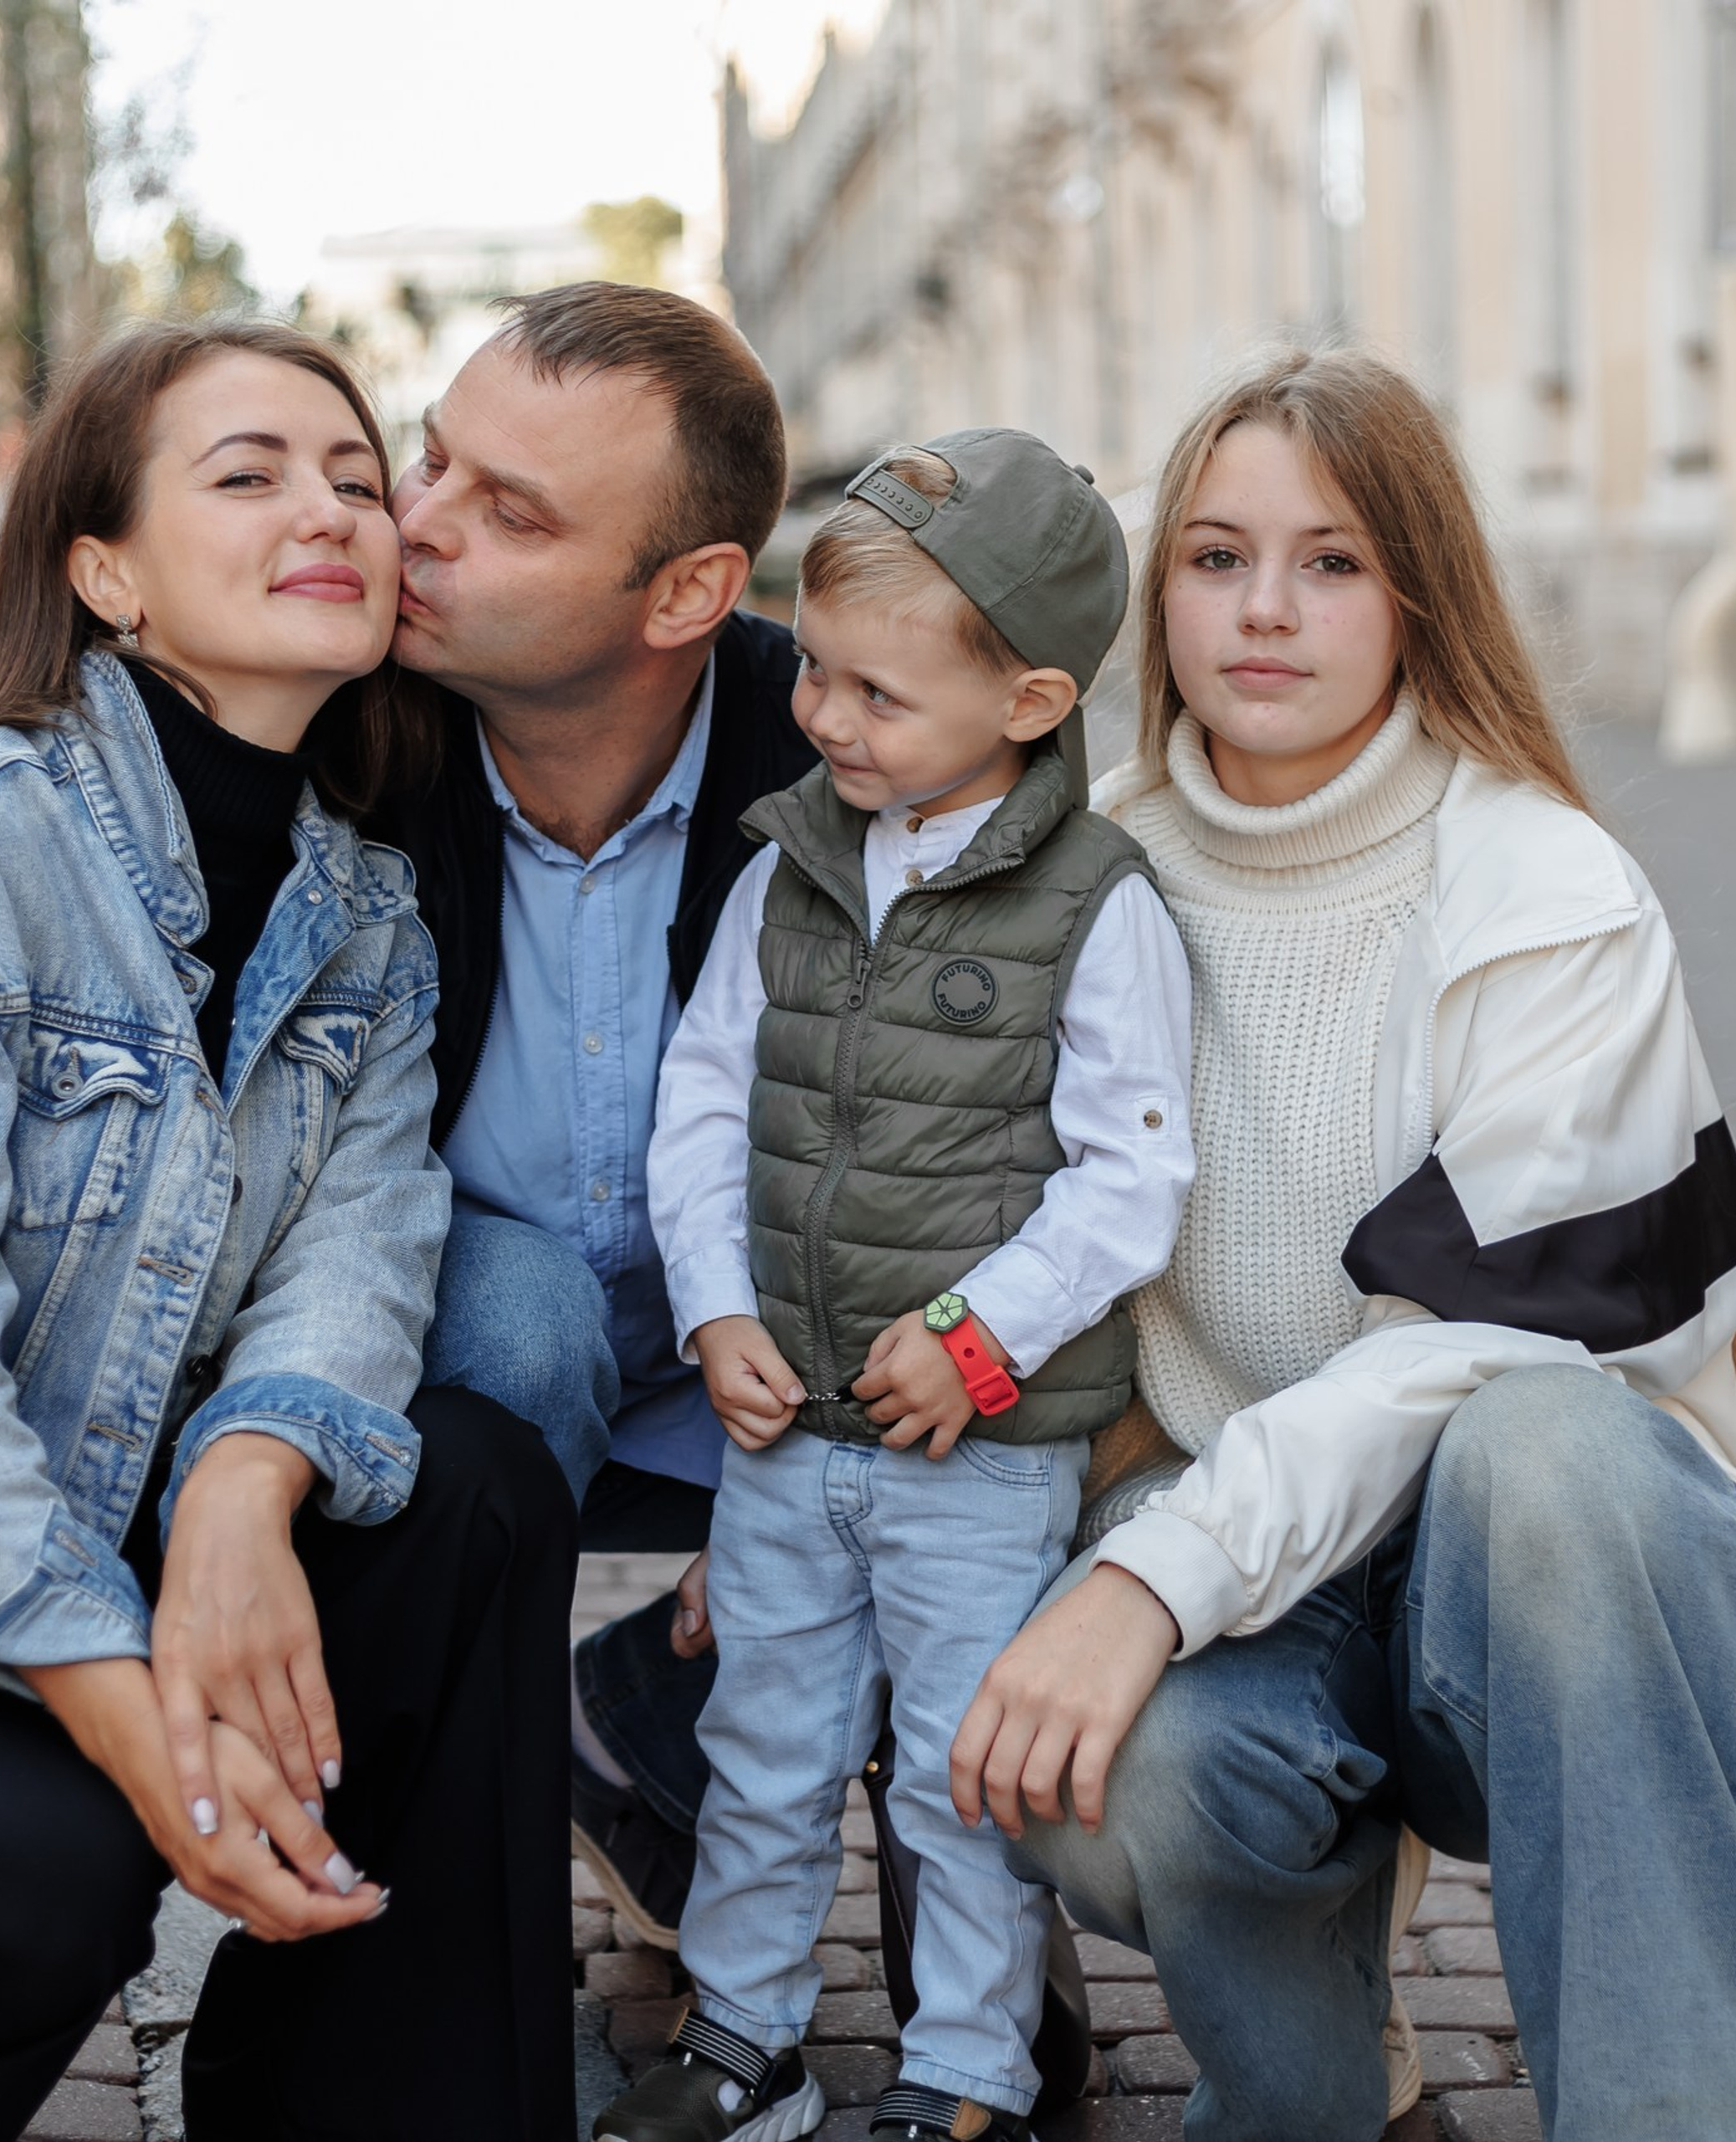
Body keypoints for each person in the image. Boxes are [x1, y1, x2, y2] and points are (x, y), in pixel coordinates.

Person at [946, 350, 1736, 2142]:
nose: (1261, 609)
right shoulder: (1083, 878)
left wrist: (1150, 1580)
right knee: (1123, 1768)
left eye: (1331, 560)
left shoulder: (1537, 884)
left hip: (1535, 1597)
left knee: (1548, 1445)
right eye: (1211, 557)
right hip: (1255, 1556)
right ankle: (1320, 2093)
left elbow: (1479, 1340)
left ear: (1417, 589)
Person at [0, 320, 578, 2142]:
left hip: (99, 1497)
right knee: (36, 1864)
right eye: (250, 473)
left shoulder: (361, 902)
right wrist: (148, 1738)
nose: (332, 511)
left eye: (358, 479)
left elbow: (364, 1246)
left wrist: (242, 1485)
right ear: (104, 572)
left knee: (473, 1485)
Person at [593, 433, 1196, 2142]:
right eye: (819, 675)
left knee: (960, 1778)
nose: (827, 719)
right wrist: (713, 1303)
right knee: (763, 1752)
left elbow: (1130, 1172)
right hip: (784, 1423)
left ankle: (966, 2078)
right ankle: (746, 2038)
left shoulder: (1095, 905)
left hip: (974, 1453)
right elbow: (705, 1091)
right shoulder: (789, 863)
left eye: (876, 693)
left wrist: (978, 1339)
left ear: (1026, 698)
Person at [368, 280, 814, 1943]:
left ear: (688, 588)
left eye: (506, 510)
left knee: (968, 1444)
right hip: (483, 1361)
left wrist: (813, 1488)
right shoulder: (348, 740)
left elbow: (984, 1159)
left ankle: (644, 1723)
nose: (415, 528)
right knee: (526, 1307)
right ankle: (447, 1891)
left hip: (773, 1352)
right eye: (429, 463)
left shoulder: (849, 757)